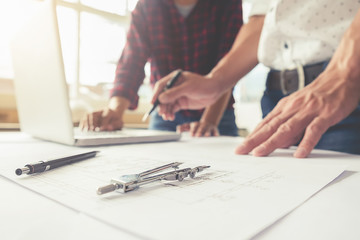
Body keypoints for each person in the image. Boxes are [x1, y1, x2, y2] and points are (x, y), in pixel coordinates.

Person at [152, 1, 360, 157]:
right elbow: (262, 22)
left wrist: (346, 73)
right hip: (277, 101)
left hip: (345, 96)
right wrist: (215, 82)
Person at [80, 0, 243, 137]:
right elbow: (131, 62)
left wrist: (208, 122)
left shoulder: (227, 3)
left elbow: (231, 64)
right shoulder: (147, 5)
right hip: (164, 113)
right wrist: (115, 110)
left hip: (218, 114)